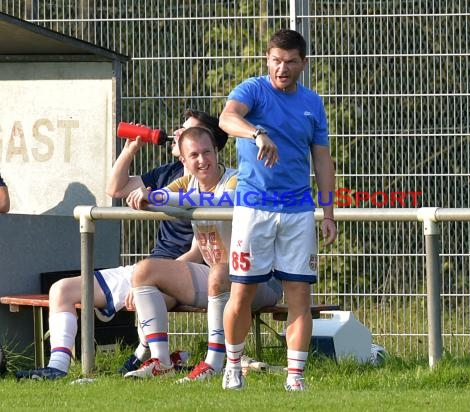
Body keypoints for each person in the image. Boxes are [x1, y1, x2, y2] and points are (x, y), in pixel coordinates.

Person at [15, 109, 227, 380]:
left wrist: (149, 279)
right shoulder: (168, 174)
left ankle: (146, 358)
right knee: (61, 290)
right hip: (147, 268)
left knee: (146, 292)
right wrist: (130, 149)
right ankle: (56, 367)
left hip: (178, 275)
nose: (178, 134)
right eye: (181, 130)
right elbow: (115, 189)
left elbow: (203, 252)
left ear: (212, 146)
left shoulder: (216, 186)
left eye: (190, 132)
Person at [218, 29, 337, 391]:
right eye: (275, 60)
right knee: (242, 293)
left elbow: (322, 159)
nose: (281, 68)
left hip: (298, 211)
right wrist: (256, 134)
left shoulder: (312, 103)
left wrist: (328, 211)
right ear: (267, 59)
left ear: (303, 63)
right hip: (254, 210)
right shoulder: (252, 90)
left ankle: (295, 377)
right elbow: (226, 119)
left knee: (300, 294)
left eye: (289, 62)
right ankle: (233, 365)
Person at [123, 126, 283, 380]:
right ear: (183, 161)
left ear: (217, 151)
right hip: (216, 279)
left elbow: (222, 201)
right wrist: (148, 196)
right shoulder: (187, 182)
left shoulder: (235, 179)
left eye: (207, 152)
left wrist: (154, 197)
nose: (202, 160)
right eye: (194, 155)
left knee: (220, 270)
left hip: (262, 282)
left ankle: (214, 363)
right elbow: (161, 196)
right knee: (144, 270)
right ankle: (161, 361)